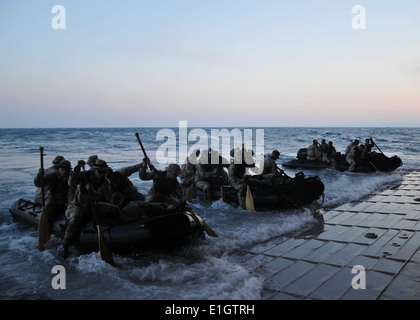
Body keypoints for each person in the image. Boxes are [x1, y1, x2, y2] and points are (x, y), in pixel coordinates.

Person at [61, 159, 113, 258]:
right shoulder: (84, 175)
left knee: (113, 209)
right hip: (79, 205)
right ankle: (65, 244)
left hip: (93, 204)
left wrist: (92, 190)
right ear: (94, 170)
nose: (102, 174)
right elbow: (71, 183)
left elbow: (105, 196)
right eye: (100, 171)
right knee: (75, 218)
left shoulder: (106, 182)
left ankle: (109, 230)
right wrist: (77, 169)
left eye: (104, 172)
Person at [34, 159, 72, 225]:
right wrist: (39, 176)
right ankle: (46, 224)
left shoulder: (71, 179)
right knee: (48, 208)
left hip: (67, 201)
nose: (64, 172)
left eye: (66, 170)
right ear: (59, 169)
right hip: (54, 200)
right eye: (62, 169)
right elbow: (39, 184)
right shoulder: (53, 176)